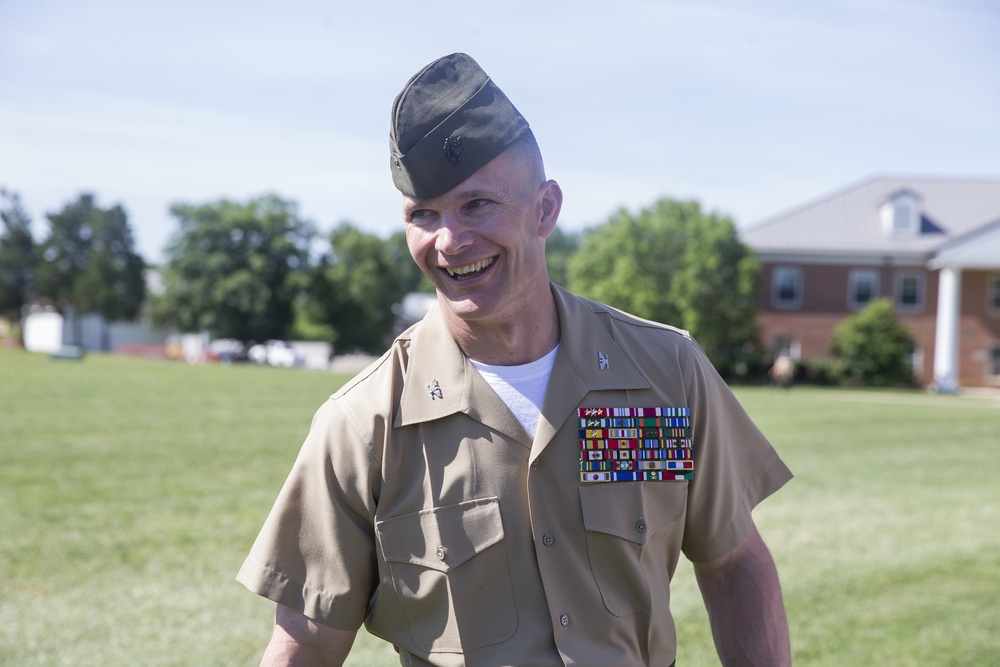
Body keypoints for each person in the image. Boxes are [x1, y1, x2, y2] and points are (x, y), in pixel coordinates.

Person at [237, 53, 793, 667]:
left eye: (476, 205)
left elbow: (734, 562)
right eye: (423, 214)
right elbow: (307, 644)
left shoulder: (664, 376)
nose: (448, 241)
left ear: (546, 209)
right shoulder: (364, 424)